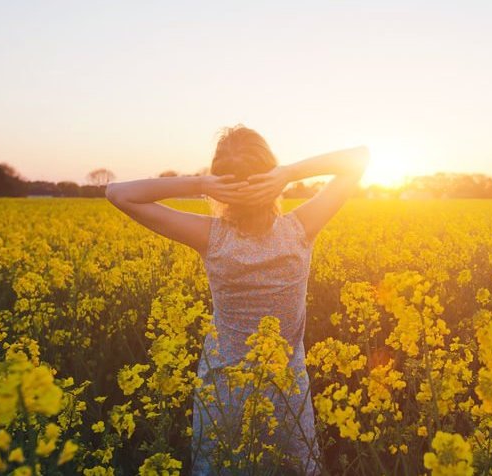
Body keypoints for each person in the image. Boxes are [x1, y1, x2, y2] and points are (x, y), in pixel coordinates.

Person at [105, 124, 369, 475]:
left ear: (220, 188)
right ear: (271, 177)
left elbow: (117, 193)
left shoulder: (209, 236)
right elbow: (360, 158)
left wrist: (199, 184)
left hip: (224, 392)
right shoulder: (301, 228)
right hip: (286, 390)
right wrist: (288, 173)